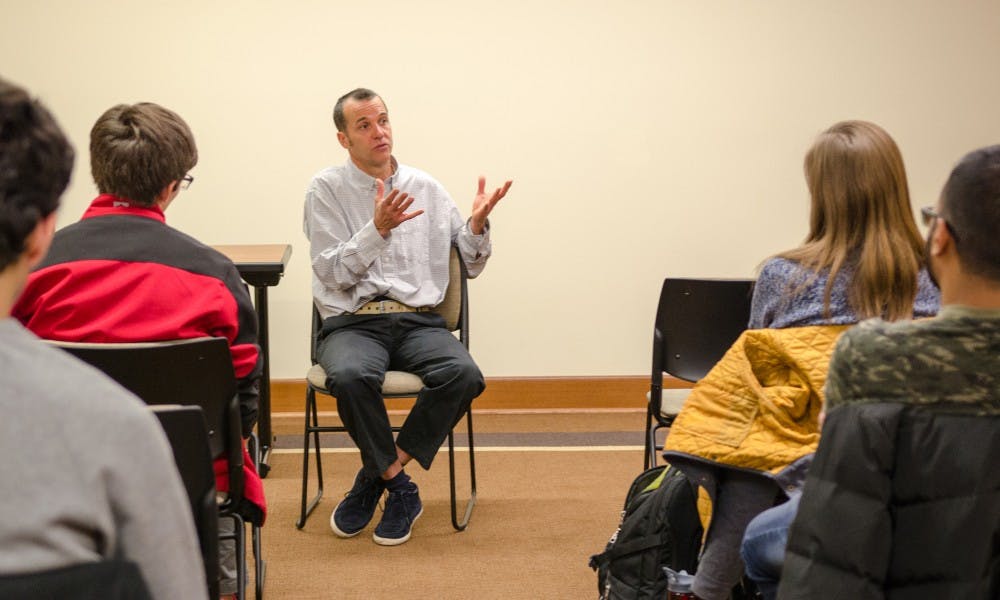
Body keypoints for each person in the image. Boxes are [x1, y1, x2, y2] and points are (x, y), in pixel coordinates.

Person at [663, 120, 938, 600]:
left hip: (799, 457)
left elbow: (755, 375)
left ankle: (709, 586)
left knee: (752, 436)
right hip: (915, 453)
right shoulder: (934, 274)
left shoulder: (782, 276)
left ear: (821, 192)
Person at [11, 100, 264, 599]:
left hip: (54, 470)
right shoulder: (215, 277)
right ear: (171, 186)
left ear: (99, 173)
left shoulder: (34, 269)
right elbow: (245, 399)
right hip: (194, 469)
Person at [776, 146, 1000, 598]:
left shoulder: (869, 356)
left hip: (912, 558)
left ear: (941, 237)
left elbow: (836, 542)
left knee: (760, 539)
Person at [303, 88, 512, 546]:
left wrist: (475, 228)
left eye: (383, 120)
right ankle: (401, 488)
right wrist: (375, 231)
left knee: (463, 374)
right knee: (352, 376)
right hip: (353, 322)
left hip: (418, 321)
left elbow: (470, 265)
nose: (379, 132)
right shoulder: (326, 191)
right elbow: (330, 272)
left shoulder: (427, 188)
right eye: (364, 125)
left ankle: (376, 477)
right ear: (344, 139)